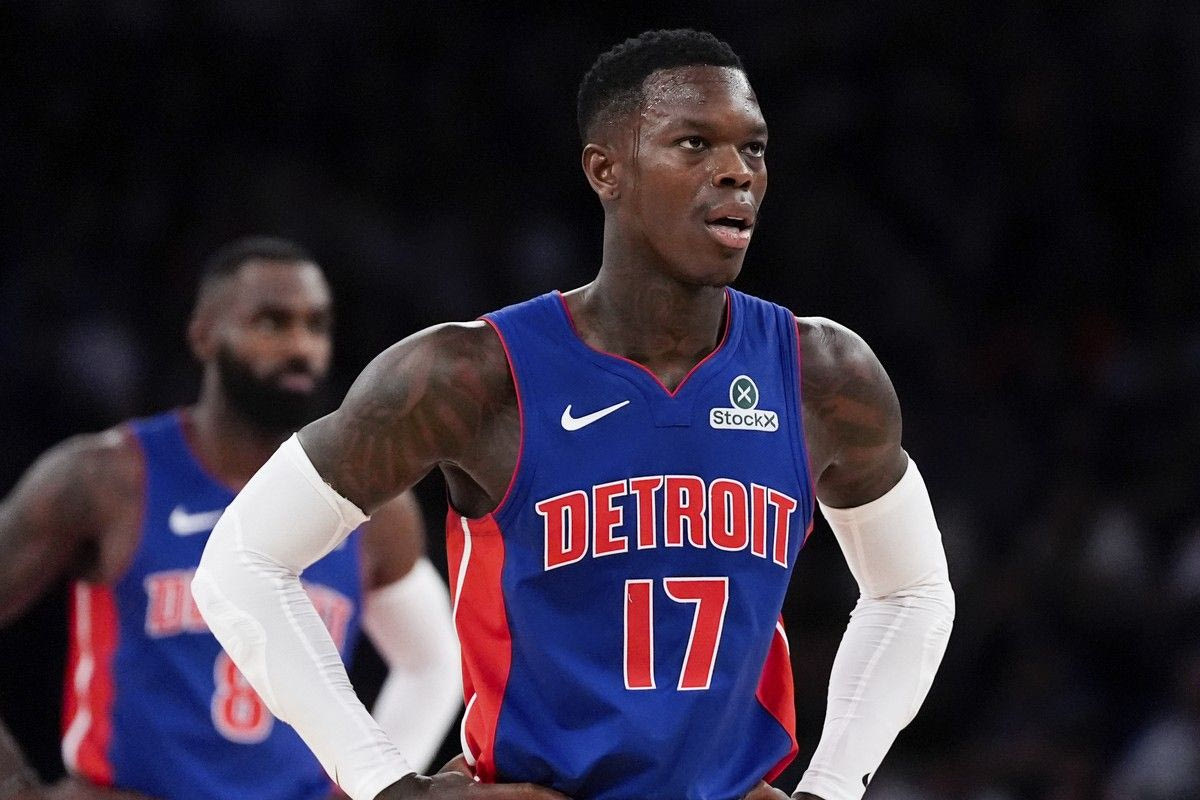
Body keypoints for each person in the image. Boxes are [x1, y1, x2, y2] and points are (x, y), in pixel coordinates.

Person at [192, 31, 955, 800]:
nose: (737, 171)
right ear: (605, 170)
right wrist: (387, 786)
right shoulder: (470, 374)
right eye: (695, 143)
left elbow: (913, 593)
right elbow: (241, 565)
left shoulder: (823, 373)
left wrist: (832, 787)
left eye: (752, 148)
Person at [0, 237, 462, 800]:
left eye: (316, 326)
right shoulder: (105, 479)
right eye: (271, 323)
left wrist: (374, 790)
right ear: (204, 335)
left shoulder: (373, 504)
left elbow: (433, 664)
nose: (300, 346)